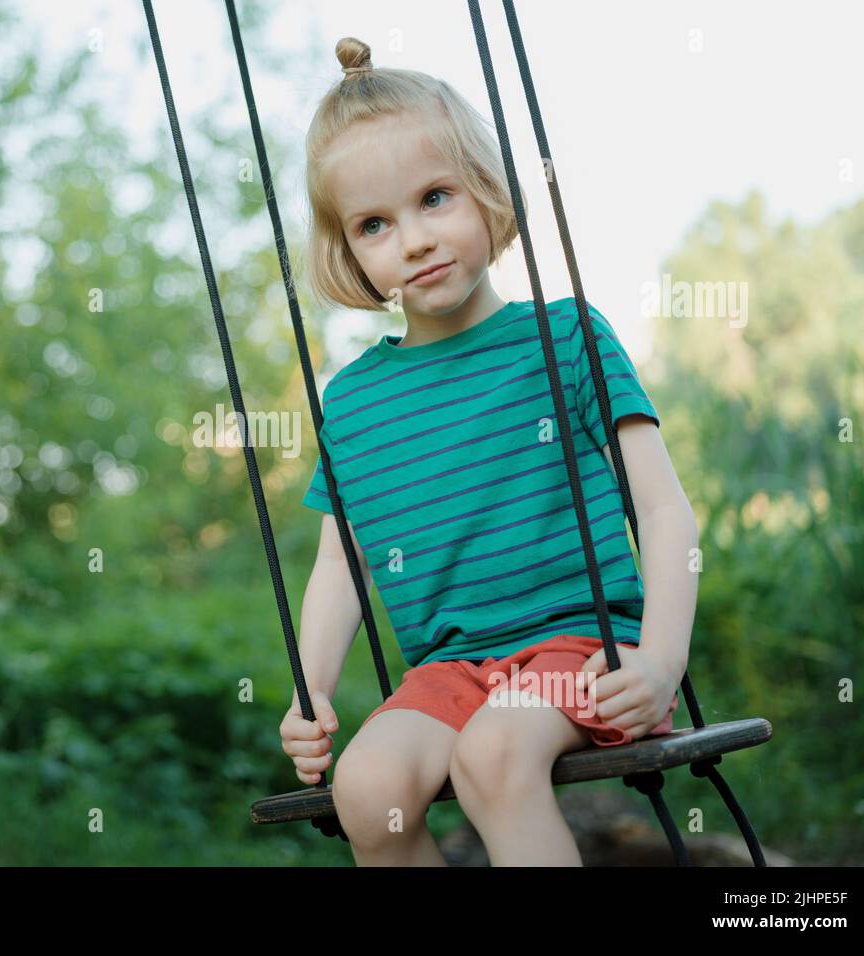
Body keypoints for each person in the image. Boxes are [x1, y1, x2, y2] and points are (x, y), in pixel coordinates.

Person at [278, 37, 698, 866]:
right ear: (350, 250)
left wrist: (658, 660)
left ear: (485, 192)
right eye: (374, 223)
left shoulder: (566, 338)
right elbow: (343, 567)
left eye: (435, 197)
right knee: (365, 789)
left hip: (579, 648)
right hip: (449, 670)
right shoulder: (355, 400)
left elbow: (663, 509)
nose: (413, 240)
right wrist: (310, 687)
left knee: (493, 755)